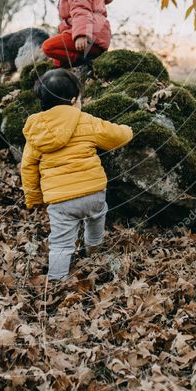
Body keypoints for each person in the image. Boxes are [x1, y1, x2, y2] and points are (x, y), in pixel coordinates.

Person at [20, 68, 133, 281]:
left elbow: (28, 167)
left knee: (61, 243)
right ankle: (94, 252)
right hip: (93, 192)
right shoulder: (85, 120)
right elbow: (116, 135)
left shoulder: (36, 131)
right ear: (73, 100)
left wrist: (34, 198)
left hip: (60, 201)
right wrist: (129, 129)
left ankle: (56, 281)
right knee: (96, 219)